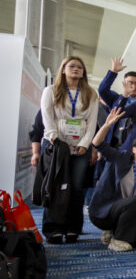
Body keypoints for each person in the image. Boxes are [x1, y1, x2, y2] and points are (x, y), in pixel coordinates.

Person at [39, 56, 99, 243]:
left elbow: (92, 123)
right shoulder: (51, 90)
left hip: (81, 146)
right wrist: (55, 139)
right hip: (56, 144)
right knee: (56, 186)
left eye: (80, 67)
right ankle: (53, 229)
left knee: (77, 188)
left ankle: (73, 228)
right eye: (72, 66)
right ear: (63, 69)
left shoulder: (91, 93)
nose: (76, 69)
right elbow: (47, 116)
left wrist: (85, 144)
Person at [89, 108, 136, 252]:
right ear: (133, 149)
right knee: (134, 201)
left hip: (125, 213)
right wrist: (107, 126)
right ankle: (118, 240)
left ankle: (114, 231)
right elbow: (97, 143)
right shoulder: (121, 158)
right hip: (103, 211)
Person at [98, 57, 136, 147]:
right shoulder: (116, 98)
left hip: (135, 146)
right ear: (124, 83)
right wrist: (113, 72)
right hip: (113, 144)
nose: (134, 86)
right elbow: (102, 90)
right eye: (130, 82)